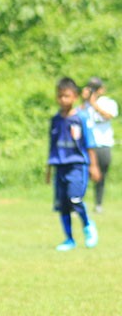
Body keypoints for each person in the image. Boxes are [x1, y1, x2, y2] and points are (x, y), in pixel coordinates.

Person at [47, 77, 100, 251]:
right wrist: (48, 168)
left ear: (75, 97)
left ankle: (87, 225)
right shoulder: (56, 119)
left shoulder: (81, 118)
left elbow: (89, 143)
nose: (63, 100)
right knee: (62, 205)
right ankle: (69, 239)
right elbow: (52, 145)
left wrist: (93, 166)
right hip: (60, 166)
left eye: (67, 96)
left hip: (77, 165)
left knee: (75, 198)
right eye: (60, 96)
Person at [81, 77, 116, 212]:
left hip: (103, 144)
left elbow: (108, 115)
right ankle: (78, 202)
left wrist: (94, 103)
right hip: (88, 145)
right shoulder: (85, 105)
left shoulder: (108, 102)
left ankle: (98, 204)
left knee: (101, 176)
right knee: (83, 174)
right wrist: (85, 100)